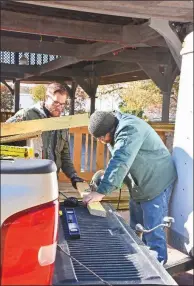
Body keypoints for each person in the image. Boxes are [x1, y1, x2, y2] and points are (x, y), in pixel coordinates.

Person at [83, 110, 177, 264]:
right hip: (139, 185)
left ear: (110, 130)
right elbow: (120, 163)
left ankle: (157, 272)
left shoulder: (129, 129)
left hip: (156, 182)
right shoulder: (114, 129)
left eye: (101, 137)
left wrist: (102, 191)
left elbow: (121, 160)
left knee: (152, 232)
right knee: (137, 230)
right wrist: (104, 180)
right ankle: (141, 264)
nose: (100, 141)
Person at [6, 82, 84, 189]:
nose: (59, 108)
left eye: (62, 104)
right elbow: (4, 137)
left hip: (51, 179)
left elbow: (64, 155)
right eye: (56, 103)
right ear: (46, 98)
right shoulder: (27, 115)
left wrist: (73, 176)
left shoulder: (63, 123)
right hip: (27, 179)